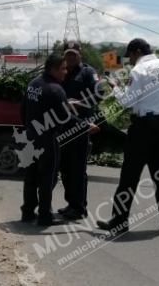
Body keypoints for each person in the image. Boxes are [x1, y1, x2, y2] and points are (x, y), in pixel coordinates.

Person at [97, 38, 159, 235]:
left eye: (130, 56)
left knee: (129, 176)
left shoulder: (139, 70)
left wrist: (115, 87)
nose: (129, 61)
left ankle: (119, 223)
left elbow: (128, 102)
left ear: (137, 52)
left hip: (143, 128)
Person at [20, 53, 86, 226]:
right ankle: (44, 216)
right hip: (47, 139)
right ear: (53, 69)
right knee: (47, 177)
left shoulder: (33, 84)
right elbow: (66, 117)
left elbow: (24, 109)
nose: (66, 72)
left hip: (31, 136)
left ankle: (27, 211)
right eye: (63, 68)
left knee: (31, 175)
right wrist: (87, 126)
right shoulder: (56, 89)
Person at [58, 41, 104, 220]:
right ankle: (71, 204)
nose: (70, 57)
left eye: (73, 55)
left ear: (80, 55)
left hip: (81, 125)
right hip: (63, 125)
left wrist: (79, 103)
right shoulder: (62, 71)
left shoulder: (88, 72)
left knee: (77, 169)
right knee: (66, 168)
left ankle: (80, 208)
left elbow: (99, 93)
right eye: (68, 54)